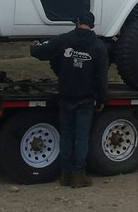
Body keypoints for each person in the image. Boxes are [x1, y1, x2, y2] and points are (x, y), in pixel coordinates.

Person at [30, 11, 108, 188]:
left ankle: (65, 174)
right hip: (86, 100)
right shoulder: (98, 46)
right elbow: (101, 77)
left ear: (78, 22)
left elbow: (40, 52)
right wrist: (103, 98)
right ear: (92, 25)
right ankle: (79, 175)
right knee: (81, 138)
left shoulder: (63, 40)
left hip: (66, 98)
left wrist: (34, 45)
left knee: (66, 135)